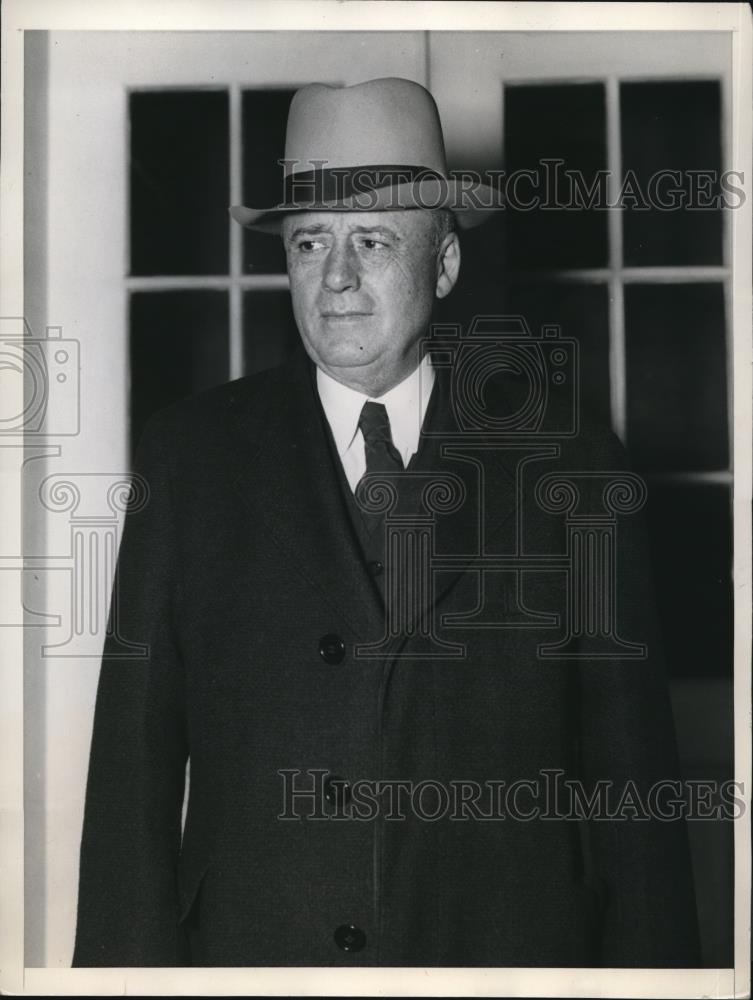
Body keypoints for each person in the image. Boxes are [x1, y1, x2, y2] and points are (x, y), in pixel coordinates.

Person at [72, 77, 700, 968]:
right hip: (257, 963)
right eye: (309, 244)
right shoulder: (190, 463)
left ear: (442, 264)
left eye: (371, 241)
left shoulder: (571, 465)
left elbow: (635, 788)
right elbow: (129, 776)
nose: (336, 278)